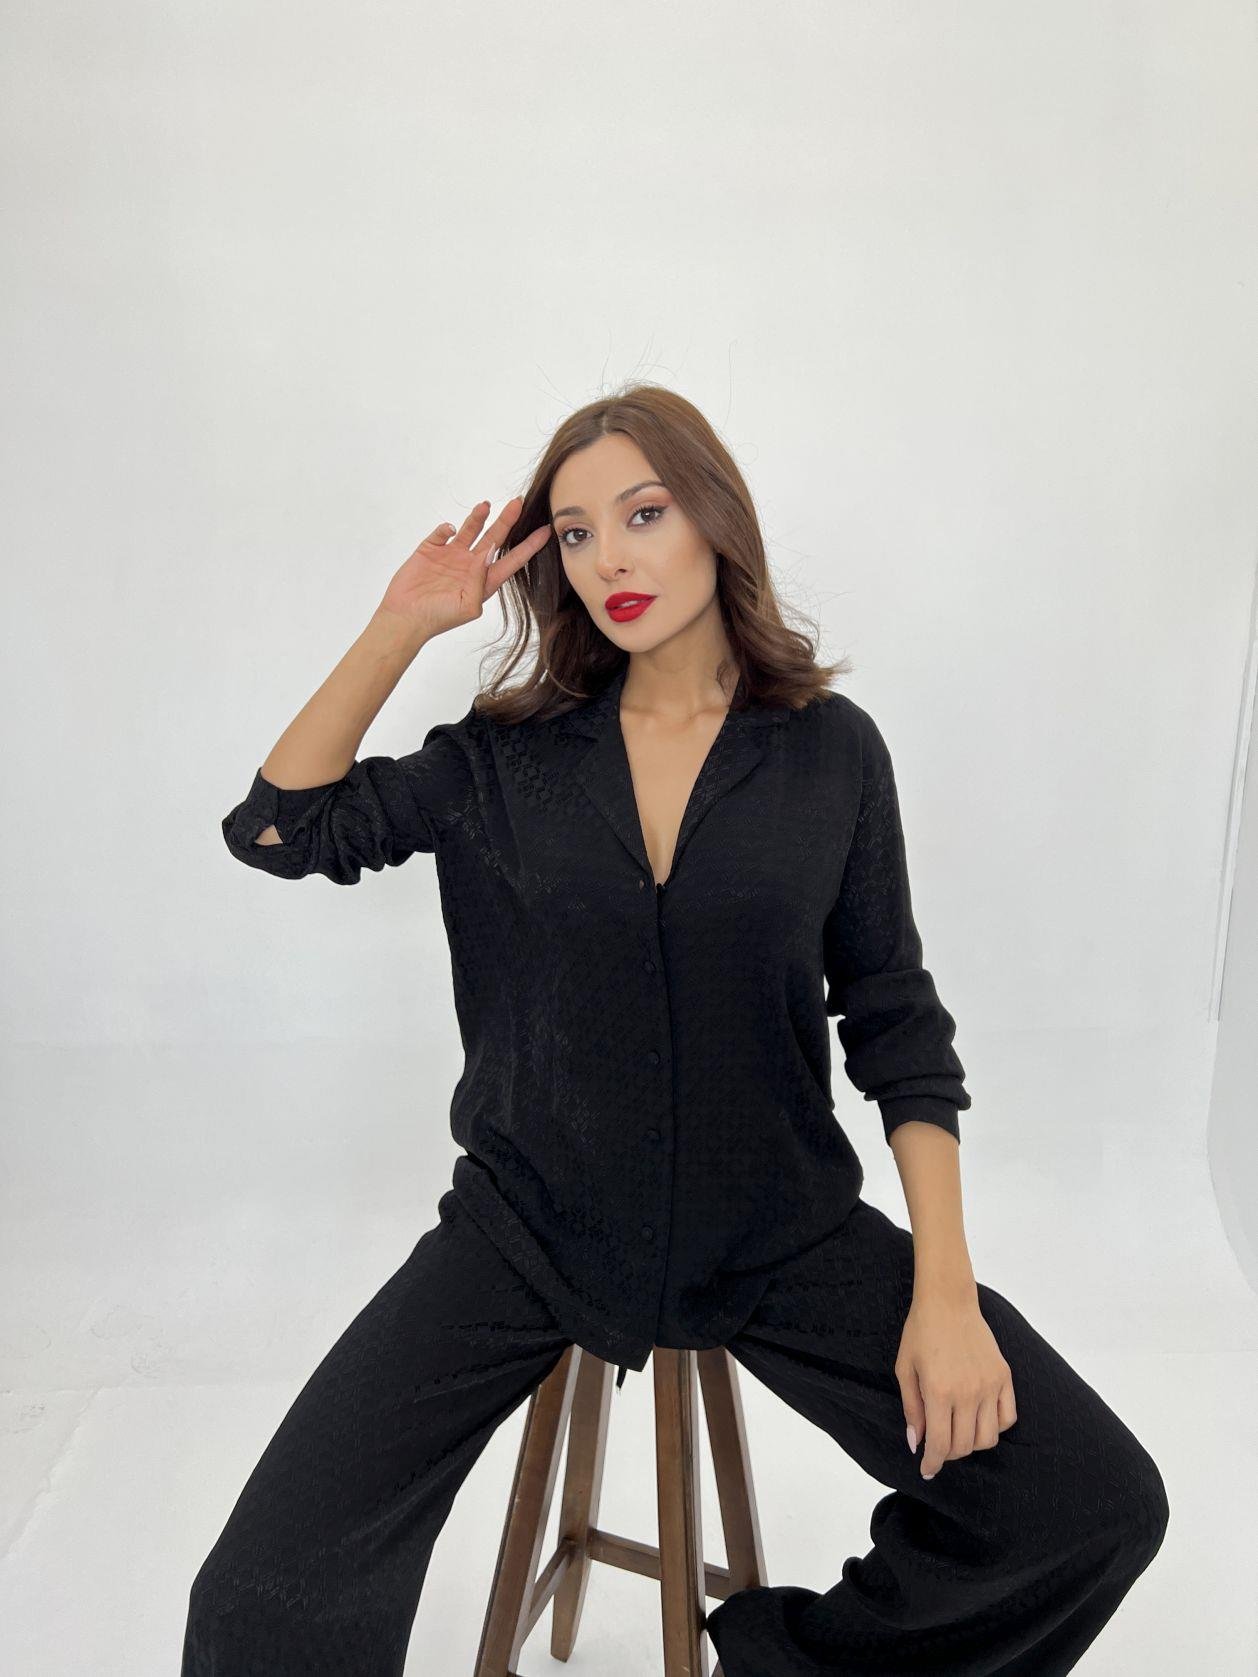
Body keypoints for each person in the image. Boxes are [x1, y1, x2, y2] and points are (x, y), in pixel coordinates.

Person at [182, 384, 1169, 1676]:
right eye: (576, 533)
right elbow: (278, 828)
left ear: (714, 518)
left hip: (775, 1229)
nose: (611, 559)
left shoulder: (829, 754)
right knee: (258, 1590)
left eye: (643, 514)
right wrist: (402, 624)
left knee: (1089, 1500)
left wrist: (945, 1291)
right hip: (528, 1232)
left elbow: (895, 1020)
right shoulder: (502, 758)